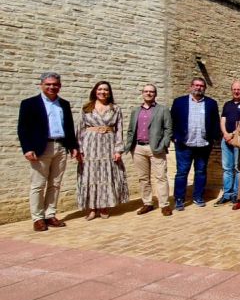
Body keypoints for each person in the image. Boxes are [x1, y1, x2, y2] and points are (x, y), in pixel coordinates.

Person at [17, 72, 79, 232]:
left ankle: (50, 214)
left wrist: (73, 147)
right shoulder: (29, 104)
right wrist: (27, 148)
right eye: (48, 84)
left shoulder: (64, 104)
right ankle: (37, 218)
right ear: (41, 85)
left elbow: (69, 127)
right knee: (38, 185)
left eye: (55, 84)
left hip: (60, 147)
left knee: (55, 184)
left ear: (60, 86)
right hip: (40, 148)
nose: (52, 87)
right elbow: (23, 128)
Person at [75, 81, 129, 220]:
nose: (102, 92)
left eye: (105, 90)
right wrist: (79, 149)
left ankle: (104, 206)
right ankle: (92, 208)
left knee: (106, 175)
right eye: (100, 89)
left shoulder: (115, 108)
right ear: (95, 91)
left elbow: (119, 131)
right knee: (90, 175)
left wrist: (118, 149)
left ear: (109, 93)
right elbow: (80, 128)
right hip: (90, 145)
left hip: (108, 145)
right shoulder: (87, 107)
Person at [170, 77, 221, 211]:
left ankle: (198, 196)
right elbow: (172, 121)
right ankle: (179, 199)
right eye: (196, 85)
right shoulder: (179, 102)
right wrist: (174, 137)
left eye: (201, 86)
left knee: (201, 172)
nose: (198, 88)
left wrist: (214, 139)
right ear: (190, 86)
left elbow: (215, 122)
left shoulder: (211, 103)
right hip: (184, 144)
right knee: (182, 172)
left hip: (203, 145)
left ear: (205, 88)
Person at [124, 84, 173, 216]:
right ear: (142, 93)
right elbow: (130, 129)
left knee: (161, 177)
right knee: (143, 178)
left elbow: (168, 129)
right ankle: (147, 203)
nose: (149, 94)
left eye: (151, 92)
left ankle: (164, 205)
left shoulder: (162, 110)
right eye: (146, 91)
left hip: (156, 148)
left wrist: (164, 144)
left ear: (155, 94)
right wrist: (130, 145)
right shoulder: (135, 111)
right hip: (138, 148)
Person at [216, 81, 240, 206]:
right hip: (226, 140)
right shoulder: (227, 104)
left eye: (239, 89)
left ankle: (236, 194)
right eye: (234, 89)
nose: (237, 91)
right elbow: (223, 119)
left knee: (237, 168)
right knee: (227, 169)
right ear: (232, 90)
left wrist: (232, 134)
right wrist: (225, 133)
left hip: (238, 139)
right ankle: (226, 194)